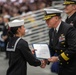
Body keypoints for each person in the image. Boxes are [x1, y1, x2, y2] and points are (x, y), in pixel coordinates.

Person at [43, 8, 76, 75]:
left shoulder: (68, 29)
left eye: (48, 19)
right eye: (46, 19)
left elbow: (73, 48)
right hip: (61, 66)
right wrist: (45, 60)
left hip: (72, 66)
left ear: (56, 18)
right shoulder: (51, 31)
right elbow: (52, 48)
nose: (46, 21)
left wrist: (58, 58)